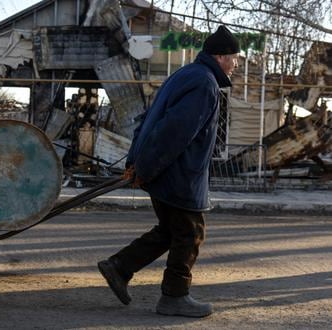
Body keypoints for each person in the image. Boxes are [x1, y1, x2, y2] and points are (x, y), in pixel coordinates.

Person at [97, 25, 240, 318]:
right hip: (178, 175)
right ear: (221, 56)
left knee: (170, 231)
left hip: (164, 171)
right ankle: (174, 297)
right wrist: (144, 167)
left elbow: (148, 119)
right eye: (235, 58)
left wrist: (138, 162)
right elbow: (173, 133)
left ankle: (120, 266)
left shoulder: (186, 75)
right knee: (190, 234)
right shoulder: (204, 84)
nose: (236, 64)